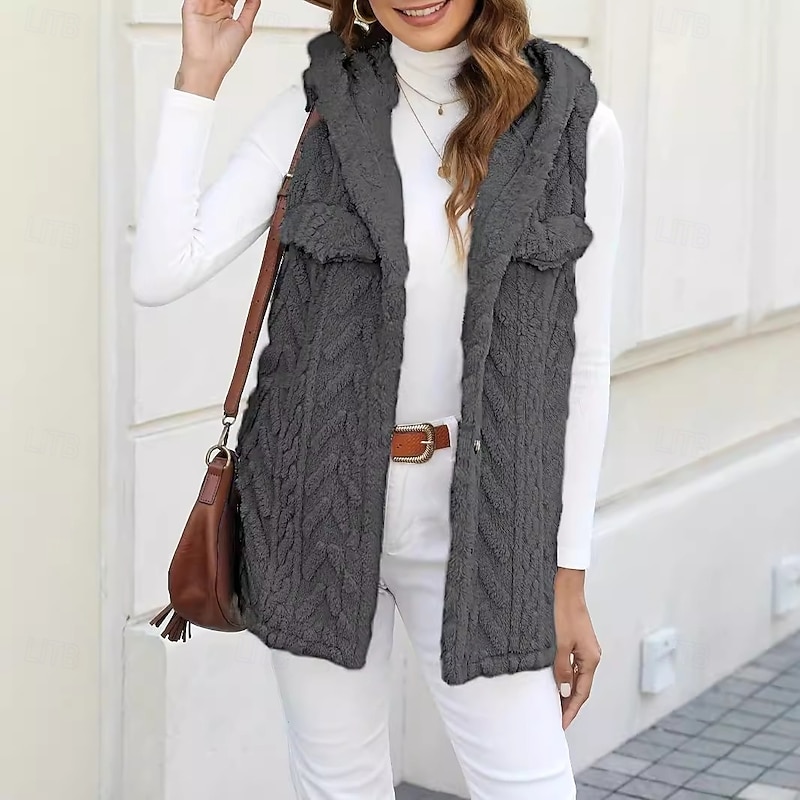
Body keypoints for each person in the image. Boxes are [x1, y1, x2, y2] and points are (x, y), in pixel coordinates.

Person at [131, 0, 624, 797]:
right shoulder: (317, 109)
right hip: (311, 505)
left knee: (528, 783)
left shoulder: (573, 125)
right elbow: (159, 271)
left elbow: (586, 363)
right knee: (337, 782)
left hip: (483, 525)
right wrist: (200, 77)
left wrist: (568, 575)